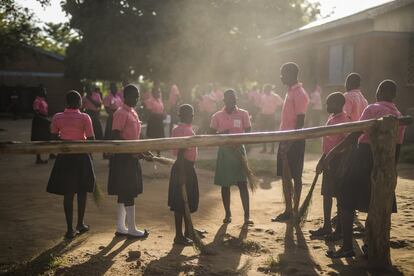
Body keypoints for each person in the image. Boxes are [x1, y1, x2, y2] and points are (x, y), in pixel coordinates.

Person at [326, 80, 405, 258]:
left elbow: (355, 134)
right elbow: (397, 147)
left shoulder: (373, 108)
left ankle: (347, 247)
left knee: (345, 201)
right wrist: (392, 171)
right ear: (394, 96)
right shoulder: (399, 116)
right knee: (376, 204)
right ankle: (372, 244)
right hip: (385, 163)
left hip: (364, 157)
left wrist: (332, 153)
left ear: (380, 92)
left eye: (377, 90)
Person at [46, 90, 95, 239]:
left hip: (65, 158)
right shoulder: (85, 117)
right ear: (80, 103)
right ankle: (80, 224)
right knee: (82, 191)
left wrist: (65, 139)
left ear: (66, 103)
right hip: (81, 157)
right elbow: (92, 140)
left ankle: (69, 229)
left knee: (68, 194)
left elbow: (53, 138)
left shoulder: (57, 117)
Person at [108, 84, 149, 238]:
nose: (137, 99)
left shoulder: (133, 112)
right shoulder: (120, 112)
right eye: (134, 96)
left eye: (138, 96)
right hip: (124, 157)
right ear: (125, 96)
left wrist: (142, 149)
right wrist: (130, 151)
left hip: (132, 155)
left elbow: (136, 136)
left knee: (124, 191)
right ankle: (131, 228)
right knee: (128, 190)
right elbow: (116, 135)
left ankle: (120, 227)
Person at [309, 92, 351, 239]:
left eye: (329, 103)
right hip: (328, 161)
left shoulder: (344, 119)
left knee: (339, 196)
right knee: (327, 193)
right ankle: (327, 225)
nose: (326, 106)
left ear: (339, 104)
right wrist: (322, 160)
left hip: (338, 161)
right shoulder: (331, 118)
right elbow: (328, 143)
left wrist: (342, 164)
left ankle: (339, 230)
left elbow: (348, 143)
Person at [272, 62, 309, 222]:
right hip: (285, 138)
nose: (281, 77)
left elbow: (300, 121)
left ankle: (295, 210)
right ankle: (288, 210)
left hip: (294, 140)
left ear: (291, 74)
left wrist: (290, 143)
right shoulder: (289, 92)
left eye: (283, 73)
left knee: (296, 175)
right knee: (285, 175)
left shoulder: (299, 93)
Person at [210, 89, 253, 225]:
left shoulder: (243, 114)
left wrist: (239, 142)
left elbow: (248, 132)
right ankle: (228, 214)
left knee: (243, 183)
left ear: (236, 100)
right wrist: (223, 134)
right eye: (228, 99)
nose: (231, 101)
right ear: (224, 100)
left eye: (233, 99)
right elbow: (211, 134)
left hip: (239, 151)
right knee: (225, 185)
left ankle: (247, 216)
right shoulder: (217, 116)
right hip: (224, 153)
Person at [168, 104, 199, 245]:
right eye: (189, 114)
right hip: (183, 167)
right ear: (181, 116)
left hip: (187, 167)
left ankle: (188, 231)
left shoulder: (185, 128)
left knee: (187, 199)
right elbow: (180, 153)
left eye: (192, 114)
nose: (192, 116)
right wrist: (181, 173)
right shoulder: (181, 130)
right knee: (180, 202)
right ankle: (179, 235)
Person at [258, 84, 283, 154]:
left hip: (271, 115)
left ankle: (272, 149)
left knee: (272, 133)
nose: (265, 91)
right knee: (263, 132)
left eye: (266, 90)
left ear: (269, 90)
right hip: (263, 115)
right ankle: (264, 148)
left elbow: (281, 103)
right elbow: (260, 105)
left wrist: (275, 109)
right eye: (264, 90)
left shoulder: (275, 96)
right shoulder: (263, 96)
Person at [31, 87, 50, 164]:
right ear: (40, 92)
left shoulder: (43, 100)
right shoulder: (37, 101)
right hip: (39, 121)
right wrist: (46, 120)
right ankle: (38, 159)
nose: (45, 92)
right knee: (38, 139)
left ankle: (51, 153)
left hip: (43, 120)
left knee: (48, 137)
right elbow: (36, 114)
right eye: (44, 90)